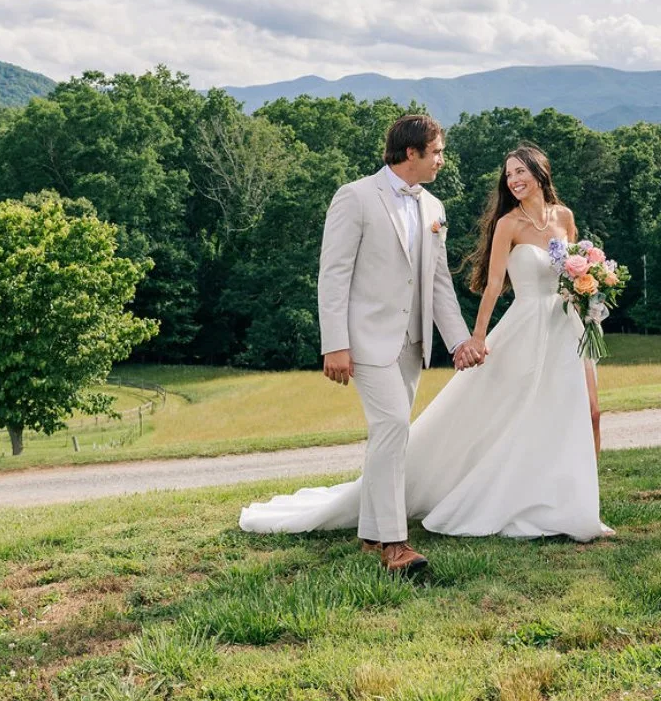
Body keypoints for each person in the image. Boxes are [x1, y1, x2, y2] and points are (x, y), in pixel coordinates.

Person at [238, 137, 611, 564]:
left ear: (539, 171)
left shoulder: (435, 207)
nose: (442, 160)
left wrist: (459, 341)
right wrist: (335, 344)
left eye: (519, 172)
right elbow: (334, 275)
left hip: (506, 333)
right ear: (411, 152)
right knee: (397, 427)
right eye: (436, 152)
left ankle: (566, 503)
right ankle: (391, 542)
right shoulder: (356, 196)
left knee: (571, 416)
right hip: (379, 338)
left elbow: (437, 282)